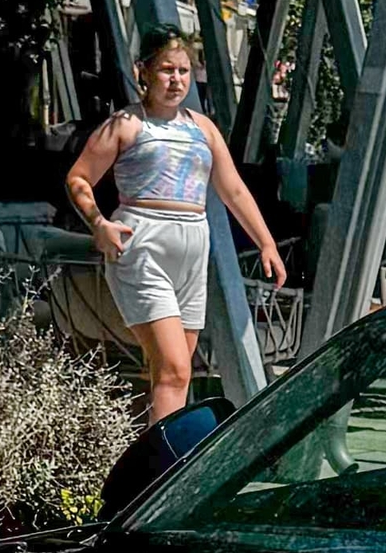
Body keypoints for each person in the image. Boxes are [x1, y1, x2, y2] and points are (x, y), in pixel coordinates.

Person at [66, 28, 287, 419]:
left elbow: (233, 189)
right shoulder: (126, 124)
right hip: (144, 241)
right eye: (167, 70)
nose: (176, 79)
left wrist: (266, 242)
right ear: (144, 72)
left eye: (184, 70)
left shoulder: (203, 128)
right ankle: (169, 472)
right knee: (174, 370)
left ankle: (154, 460)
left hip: (192, 248)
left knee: (174, 375)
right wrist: (98, 223)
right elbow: (79, 178)